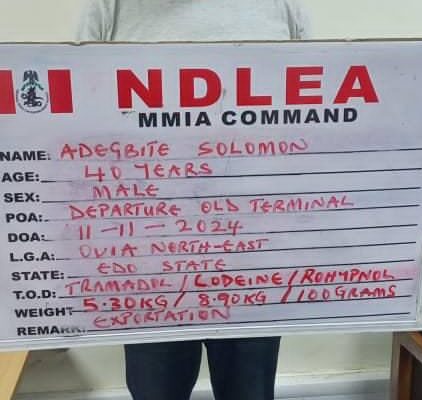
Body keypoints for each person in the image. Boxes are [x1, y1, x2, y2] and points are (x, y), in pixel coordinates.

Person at [76, 1, 309, 399]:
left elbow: (314, 120)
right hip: (150, 258)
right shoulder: (110, 6)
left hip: (251, 256)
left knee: (249, 392)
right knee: (156, 391)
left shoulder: (281, 6)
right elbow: (76, 119)